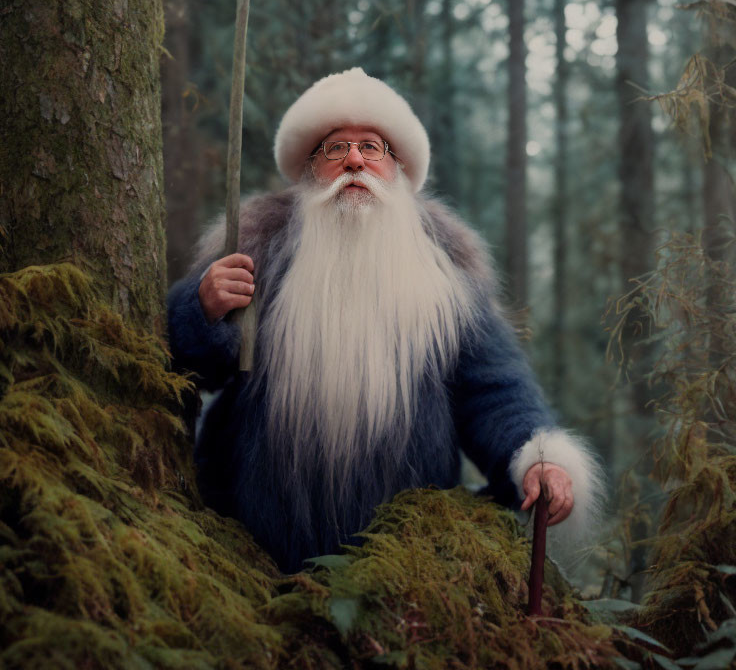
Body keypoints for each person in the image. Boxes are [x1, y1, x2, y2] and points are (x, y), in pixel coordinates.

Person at [167, 68, 602, 573]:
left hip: (405, 560)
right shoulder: (256, 244)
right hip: (250, 548)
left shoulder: (449, 267)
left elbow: (493, 388)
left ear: (397, 168)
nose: (354, 160)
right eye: (335, 149)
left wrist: (538, 458)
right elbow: (192, 371)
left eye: (372, 148)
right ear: (310, 168)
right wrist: (201, 308)